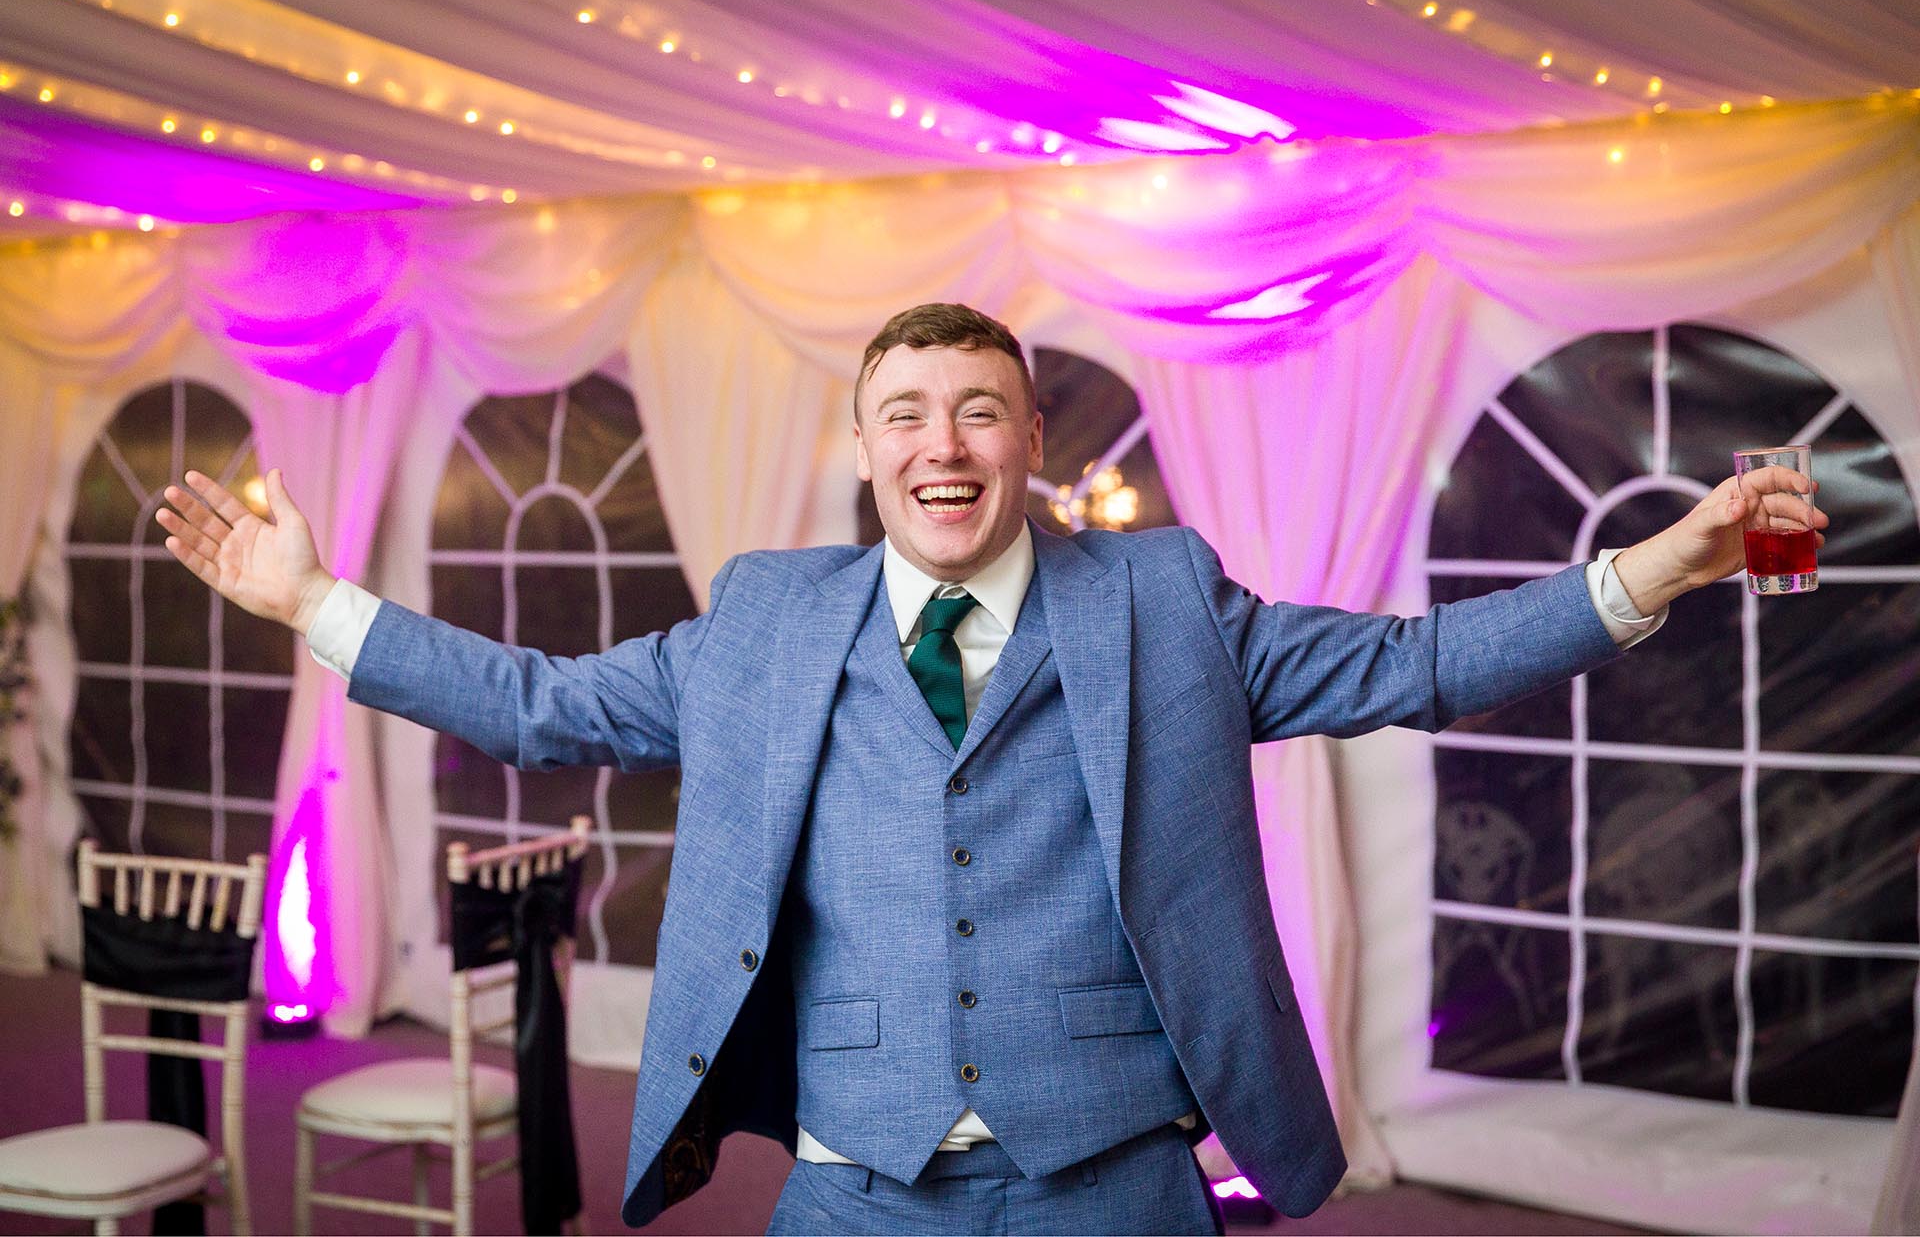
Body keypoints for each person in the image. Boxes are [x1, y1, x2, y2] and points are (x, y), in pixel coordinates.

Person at [158, 303, 1824, 1235]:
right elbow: (538, 704)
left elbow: (1413, 665)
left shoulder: (1165, 599)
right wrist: (308, 598)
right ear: (866, 445)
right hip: (854, 1186)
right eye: (904, 413)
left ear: (1032, 445)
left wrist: (1649, 573)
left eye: (978, 412)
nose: (939, 445)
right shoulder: (758, 618)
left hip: (1116, 1178)